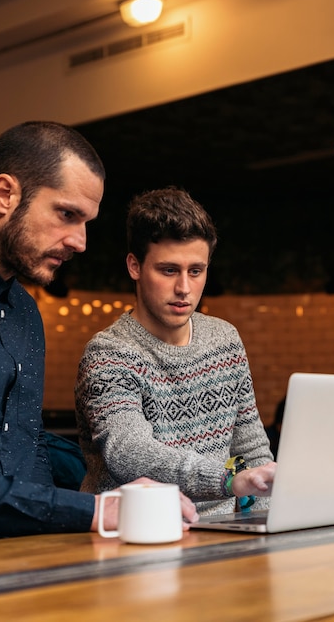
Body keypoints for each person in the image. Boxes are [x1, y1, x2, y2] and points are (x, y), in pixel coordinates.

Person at [0, 123, 198, 543]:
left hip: (28, 556)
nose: (80, 242)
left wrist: (107, 497)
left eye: (86, 222)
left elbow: (27, 451)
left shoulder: (25, 310)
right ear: (5, 194)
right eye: (67, 214)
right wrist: (96, 510)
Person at [75, 186, 276, 517]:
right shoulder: (108, 353)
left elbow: (251, 448)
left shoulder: (224, 338)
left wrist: (267, 522)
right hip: (134, 533)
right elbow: (129, 452)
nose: (184, 287)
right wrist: (228, 481)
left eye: (195, 271)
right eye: (169, 270)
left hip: (220, 535)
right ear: (134, 266)